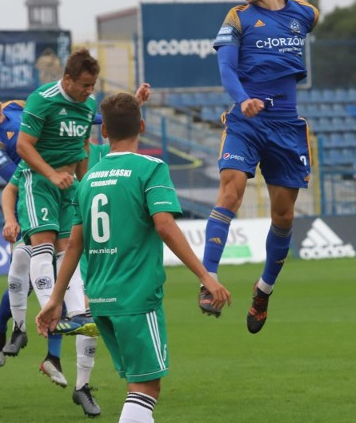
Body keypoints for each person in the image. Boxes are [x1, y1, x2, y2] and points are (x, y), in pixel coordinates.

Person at [36, 92, 231, 423]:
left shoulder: (88, 180)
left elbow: (74, 245)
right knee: (145, 389)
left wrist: (56, 298)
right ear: (142, 125)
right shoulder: (150, 168)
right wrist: (205, 275)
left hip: (100, 301)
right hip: (136, 299)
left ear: (105, 133)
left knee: (137, 387)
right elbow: (165, 227)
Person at [198, 0, 319, 333]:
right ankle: (208, 279)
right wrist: (241, 99)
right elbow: (226, 69)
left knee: (283, 216)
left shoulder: (306, 13)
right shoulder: (237, 18)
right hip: (245, 122)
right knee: (230, 192)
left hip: (285, 125)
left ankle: (263, 290)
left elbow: (308, 20)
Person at [13, 48, 106, 416]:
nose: (88, 91)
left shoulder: (87, 105)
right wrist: (51, 174)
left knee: (74, 261)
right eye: (84, 85)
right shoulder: (43, 99)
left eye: (93, 85)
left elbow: (83, 148)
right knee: (44, 244)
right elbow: (23, 147)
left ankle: (83, 383)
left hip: (70, 185)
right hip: (40, 181)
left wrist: (84, 185)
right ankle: (49, 312)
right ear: (67, 80)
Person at [0, 94, 66, 379]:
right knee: (29, 281)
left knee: (58, 277)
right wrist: (46, 161)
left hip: (58, 192)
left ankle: (53, 356)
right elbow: (11, 175)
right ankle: (1, 327)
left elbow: (68, 118)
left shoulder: (16, 106)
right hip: (27, 198)